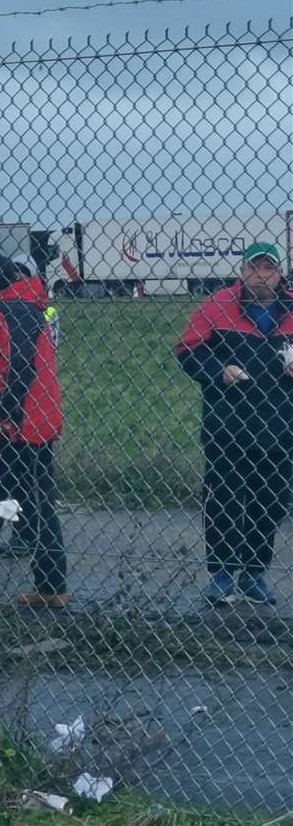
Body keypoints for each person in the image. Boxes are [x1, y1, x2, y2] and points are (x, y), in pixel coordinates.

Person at [175, 242, 293, 607]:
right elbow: (186, 350)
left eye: (268, 269)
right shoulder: (217, 305)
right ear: (242, 272)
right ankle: (223, 573)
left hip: (279, 428)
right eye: (254, 269)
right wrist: (217, 371)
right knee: (223, 499)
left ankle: (254, 573)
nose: (261, 276)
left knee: (269, 502)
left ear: (279, 274)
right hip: (227, 428)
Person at [0, 255, 68, 608]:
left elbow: (19, 365)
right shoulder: (24, 305)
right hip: (31, 420)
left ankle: (51, 586)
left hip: (21, 424)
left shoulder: (10, 310)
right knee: (8, 497)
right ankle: (49, 583)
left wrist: (3, 413)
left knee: (19, 501)